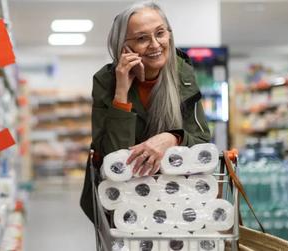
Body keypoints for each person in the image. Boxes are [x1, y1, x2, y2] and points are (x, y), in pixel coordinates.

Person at [80, 1, 211, 223]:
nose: (155, 44)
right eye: (142, 38)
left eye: (160, 33)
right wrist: (121, 90)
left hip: (177, 198)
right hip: (124, 203)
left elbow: (201, 141)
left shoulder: (183, 74)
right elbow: (113, 157)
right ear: (123, 46)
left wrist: (171, 137)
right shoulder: (106, 81)